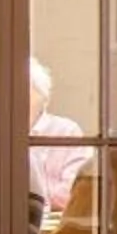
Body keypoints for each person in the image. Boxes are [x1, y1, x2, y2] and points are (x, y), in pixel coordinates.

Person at [28, 56, 91, 219]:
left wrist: (29, 199)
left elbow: (74, 191)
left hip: (54, 224)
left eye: (26, 89)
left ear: (43, 97)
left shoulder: (65, 131)